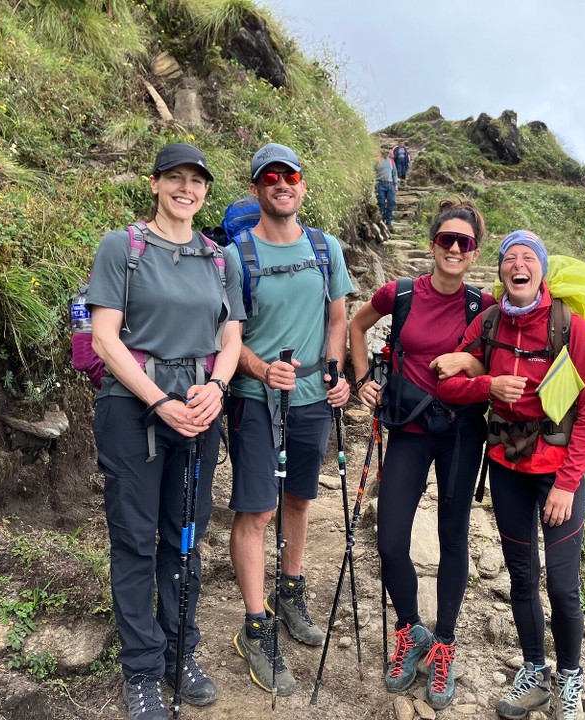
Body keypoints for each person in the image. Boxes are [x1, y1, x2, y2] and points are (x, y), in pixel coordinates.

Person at [87, 143, 245, 720]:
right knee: (134, 538)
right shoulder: (122, 247)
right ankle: (143, 670)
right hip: (132, 410)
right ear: (154, 184)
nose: (186, 189)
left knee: (185, 537)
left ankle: (181, 650)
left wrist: (217, 389)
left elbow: (230, 338)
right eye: (174, 179)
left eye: (196, 181)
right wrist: (158, 401)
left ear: (206, 191)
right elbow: (106, 338)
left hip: (199, 412)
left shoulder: (219, 258)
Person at [437, 230, 585, 720]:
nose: (519, 264)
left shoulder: (569, 327)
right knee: (522, 576)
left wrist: (570, 485)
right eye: (511, 258)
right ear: (501, 271)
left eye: (529, 257)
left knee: (564, 587)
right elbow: (450, 385)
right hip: (507, 466)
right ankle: (534, 671)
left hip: (557, 473)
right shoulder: (488, 323)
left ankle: (570, 678)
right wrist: (490, 384)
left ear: (541, 271)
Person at [349, 199, 495, 709]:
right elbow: (356, 326)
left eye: (466, 243)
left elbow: (501, 357)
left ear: (474, 253)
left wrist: (471, 363)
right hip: (409, 428)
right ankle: (411, 632)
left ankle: (446, 644)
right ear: (433, 244)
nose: (455, 249)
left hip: (460, 433)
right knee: (390, 540)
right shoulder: (403, 293)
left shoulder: (485, 306)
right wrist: (363, 378)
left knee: (452, 539)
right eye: (447, 240)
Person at [225, 142, 353, 696]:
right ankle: (256, 626)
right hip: (255, 399)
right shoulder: (236, 256)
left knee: (300, 499)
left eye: (291, 175)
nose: (281, 183)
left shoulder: (326, 249)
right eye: (269, 176)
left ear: (303, 186)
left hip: (311, 402)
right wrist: (258, 368)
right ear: (257, 190)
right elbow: (226, 336)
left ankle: (290, 588)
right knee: (257, 509)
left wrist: (336, 370)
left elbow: (338, 314)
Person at [374, 147, 398, 230]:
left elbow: (394, 173)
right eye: (385, 150)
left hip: (390, 184)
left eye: (388, 150)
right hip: (380, 184)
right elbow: (372, 170)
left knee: (391, 202)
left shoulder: (391, 161)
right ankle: (381, 220)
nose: (386, 152)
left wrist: (396, 184)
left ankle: (389, 221)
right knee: (381, 203)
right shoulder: (377, 160)